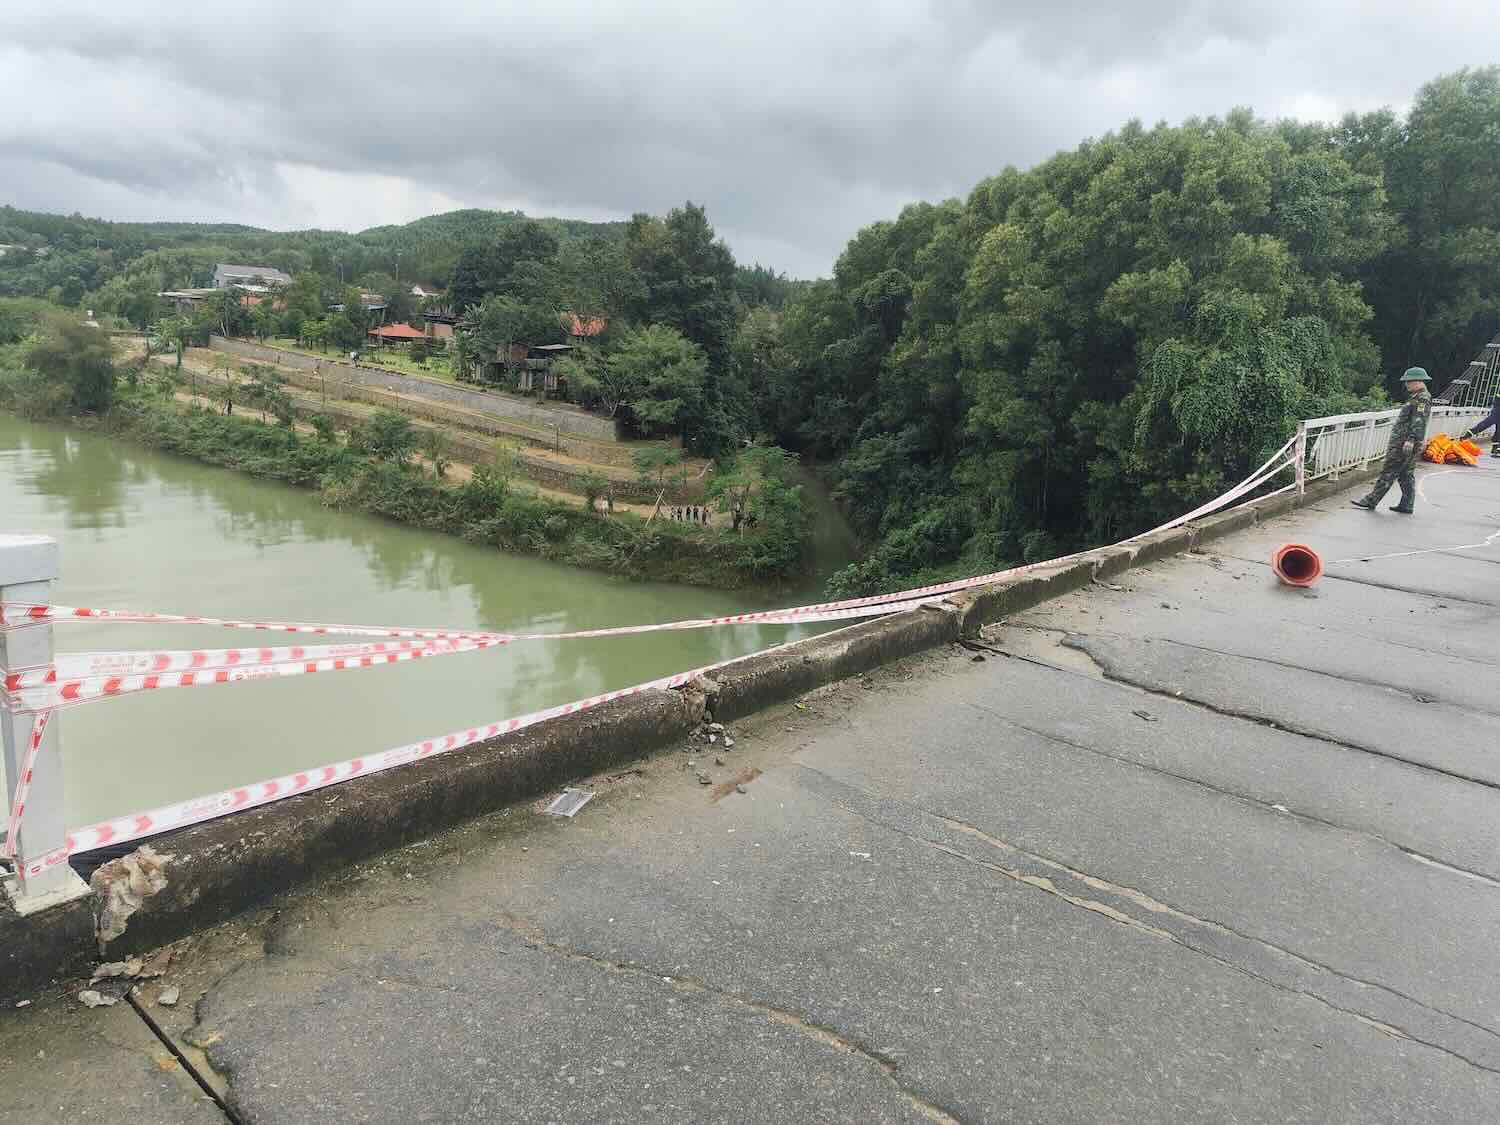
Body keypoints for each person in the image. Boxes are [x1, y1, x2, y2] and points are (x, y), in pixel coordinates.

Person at [1351, 367, 1433, 514]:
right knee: (1405, 474)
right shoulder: (1418, 397)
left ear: (1418, 381)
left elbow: (1419, 420)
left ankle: (1371, 500)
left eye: (1409, 382)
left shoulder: (1422, 399)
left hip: (1404, 442)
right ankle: (1407, 504)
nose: (1407, 385)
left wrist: (1411, 439)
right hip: (1406, 441)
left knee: (1389, 470)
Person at [1459, 389, 1500, 458]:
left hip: (1497, 407)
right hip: (1498, 409)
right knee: (1488, 423)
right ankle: (1467, 435)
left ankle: (1496, 448)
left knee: (1496, 429)